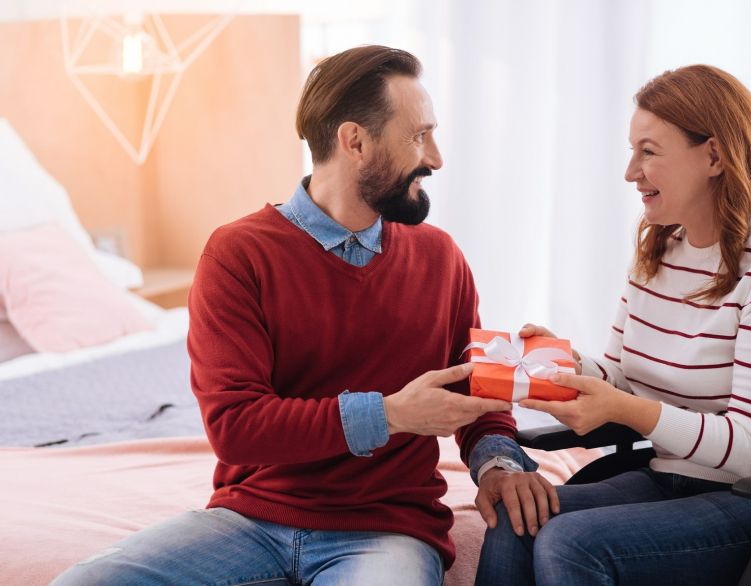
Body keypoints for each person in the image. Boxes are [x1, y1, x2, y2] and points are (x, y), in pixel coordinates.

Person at [53, 45, 557, 586]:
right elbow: (235, 426)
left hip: (386, 529)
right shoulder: (237, 255)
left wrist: (498, 464)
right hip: (251, 521)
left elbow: (477, 392)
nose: (435, 158)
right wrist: (390, 414)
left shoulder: (441, 257)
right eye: (418, 136)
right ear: (355, 141)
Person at [474, 64, 751, 585]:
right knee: (517, 519)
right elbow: (624, 378)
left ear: (714, 156)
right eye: (633, 151)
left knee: (571, 544)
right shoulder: (660, 254)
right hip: (677, 480)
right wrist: (566, 364)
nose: (631, 171)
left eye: (649, 152)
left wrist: (623, 408)